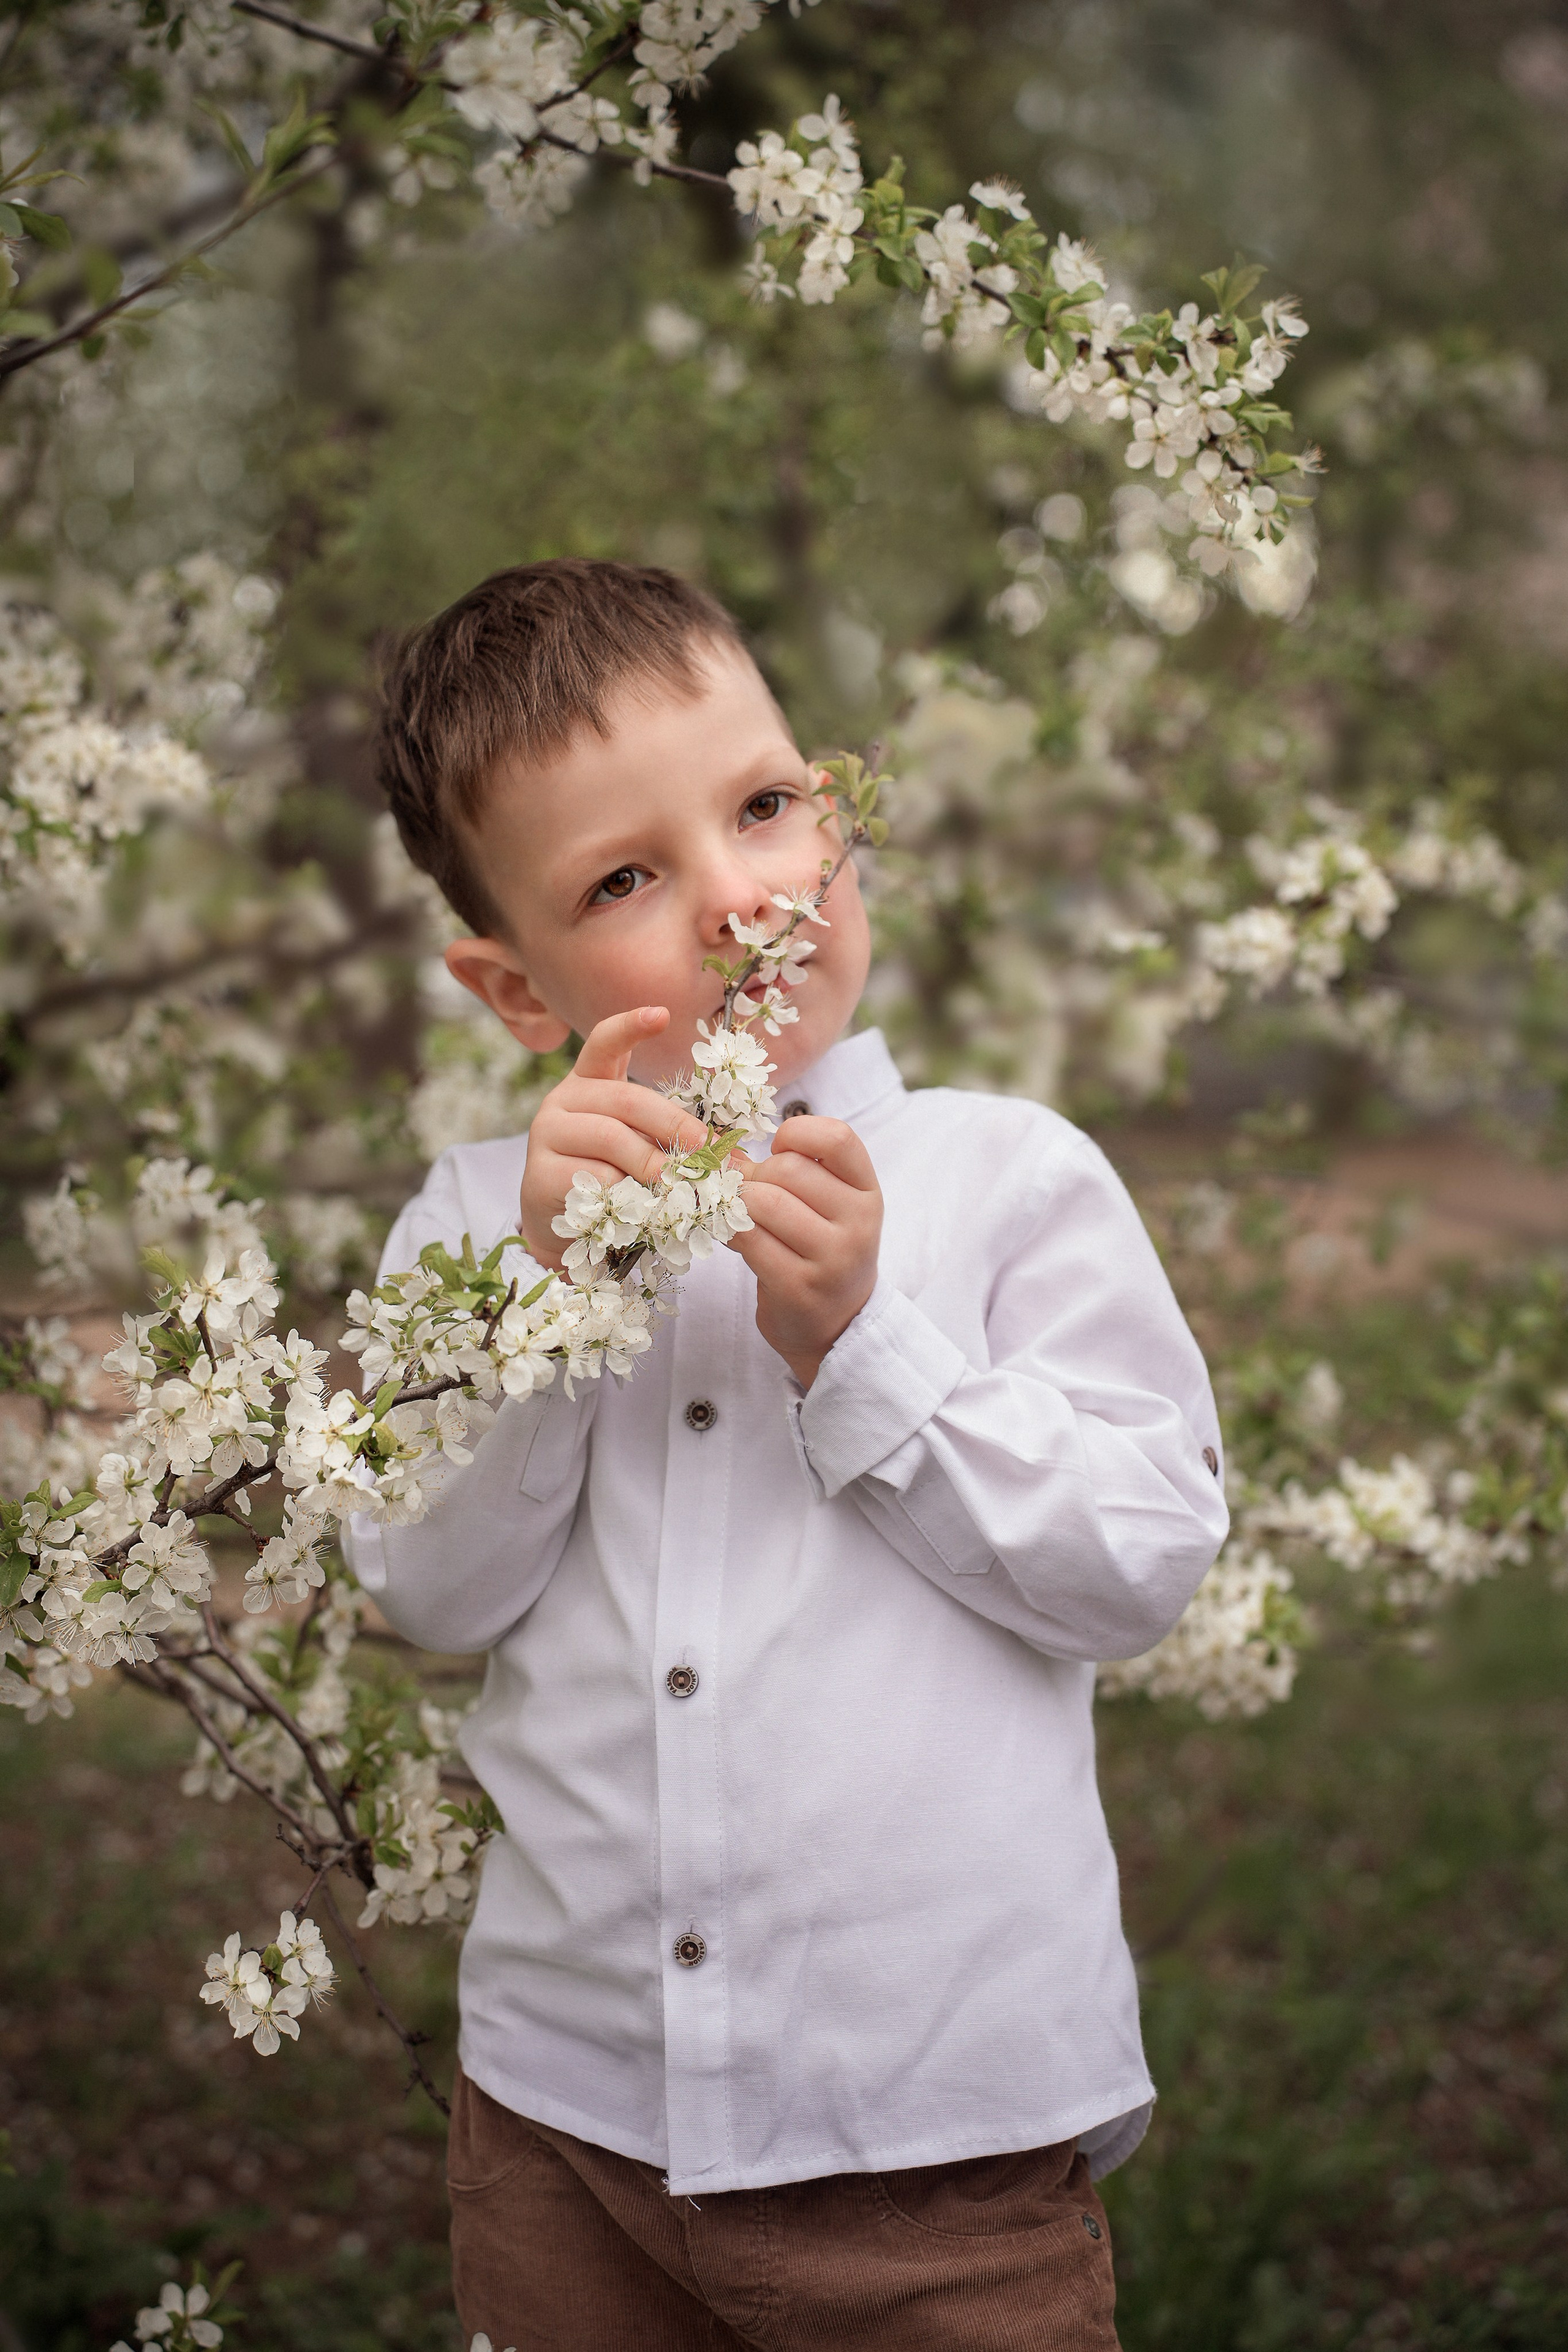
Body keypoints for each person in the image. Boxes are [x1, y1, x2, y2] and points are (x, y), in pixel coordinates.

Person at [353, 557, 1229, 2350]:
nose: (742, 900)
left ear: (838, 813)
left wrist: (869, 1351)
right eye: (625, 878)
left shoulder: (1009, 1178)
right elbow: (425, 1584)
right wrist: (533, 1317)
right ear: (517, 992)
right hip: (566, 2127)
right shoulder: (471, 1227)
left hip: (933, 2135)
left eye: (764, 808)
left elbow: (1138, 1556)